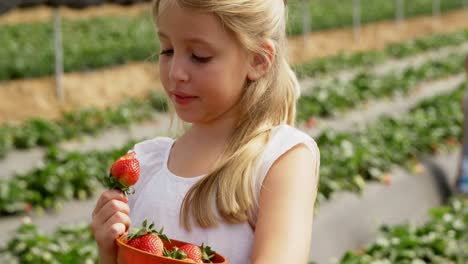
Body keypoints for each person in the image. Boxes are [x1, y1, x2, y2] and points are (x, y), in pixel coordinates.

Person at [91, 0, 320, 263]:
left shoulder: (280, 160)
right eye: (167, 50)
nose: (176, 72)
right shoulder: (145, 163)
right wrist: (109, 252)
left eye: (199, 56)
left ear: (257, 60)